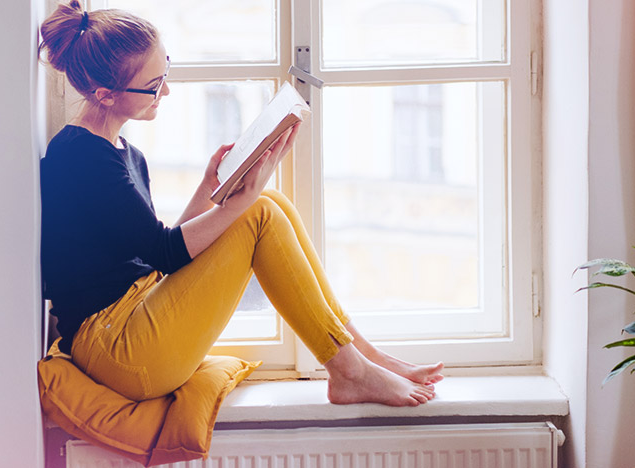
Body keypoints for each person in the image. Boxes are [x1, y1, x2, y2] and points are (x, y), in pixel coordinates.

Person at [36, 0, 441, 407]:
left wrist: (208, 187)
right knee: (258, 211)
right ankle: (351, 371)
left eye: (166, 72)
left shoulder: (121, 151)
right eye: (155, 84)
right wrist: (237, 203)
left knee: (270, 201)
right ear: (105, 95)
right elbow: (165, 252)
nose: (167, 91)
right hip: (116, 351)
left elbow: (151, 254)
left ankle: (364, 357)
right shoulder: (80, 155)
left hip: (132, 317)